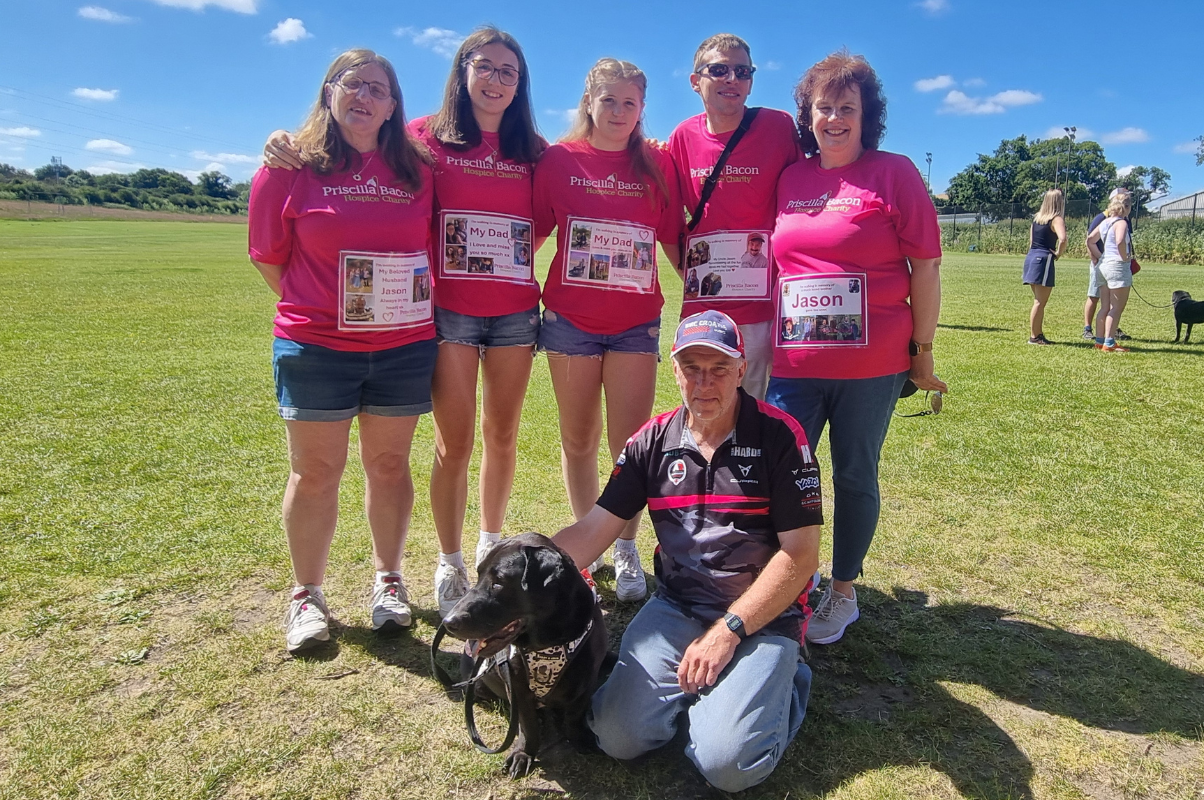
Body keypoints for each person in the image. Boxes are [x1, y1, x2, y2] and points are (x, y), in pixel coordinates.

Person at [263, 28, 547, 617]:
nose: (496, 80)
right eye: (485, 67)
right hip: (439, 316)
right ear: (462, 72)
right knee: (452, 443)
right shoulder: (422, 140)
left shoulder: (531, 149)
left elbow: (540, 221)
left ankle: (480, 547)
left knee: (496, 437)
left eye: (508, 71)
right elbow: (273, 251)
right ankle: (444, 563)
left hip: (506, 313)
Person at [552, 310, 823, 793]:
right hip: (676, 605)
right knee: (617, 737)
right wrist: (521, 568)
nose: (704, 383)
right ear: (673, 370)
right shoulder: (650, 441)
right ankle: (717, 696)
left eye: (719, 369)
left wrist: (729, 632)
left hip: (760, 618)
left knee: (727, 766)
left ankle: (785, 680)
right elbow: (594, 530)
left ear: (742, 370)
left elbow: (800, 558)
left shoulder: (782, 437)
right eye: (691, 368)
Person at [248, 50, 435, 652]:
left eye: (378, 89)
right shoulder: (289, 167)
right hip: (314, 347)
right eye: (352, 85)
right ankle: (307, 594)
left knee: (388, 467)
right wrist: (323, 312)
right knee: (315, 472)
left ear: (393, 105)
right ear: (329, 92)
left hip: (403, 346)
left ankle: (388, 580)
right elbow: (268, 255)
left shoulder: (418, 169)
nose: (365, 96)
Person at [767, 50, 946, 645]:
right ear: (808, 115)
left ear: (867, 116)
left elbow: (925, 269)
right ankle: (791, 579)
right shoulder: (791, 178)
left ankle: (842, 592)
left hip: (872, 365)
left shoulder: (893, 172)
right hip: (795, 361)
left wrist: (922, 352)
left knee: (854, 474)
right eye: (824, 108)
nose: (835, 118)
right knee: (787, 473)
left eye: (848, 108)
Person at [533, 58, 683, 602]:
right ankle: (587, 549)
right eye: (609, 101)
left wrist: (713, 285)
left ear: (642, 108)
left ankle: (625, 547)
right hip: (570, 322)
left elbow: (671, 240)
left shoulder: (657, 164)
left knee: (629, 447)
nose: (619, 112)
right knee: (578, 440)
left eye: (630, 103)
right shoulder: (557, 160)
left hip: (633, 323)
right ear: (589, 102)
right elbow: (527, 234)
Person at [668, 33, 800, 401]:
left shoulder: (778, 127)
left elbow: (801, 197)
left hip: (764, 307)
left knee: (755, 409)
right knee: (704, 406)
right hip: (704, 307)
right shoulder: (681, 136)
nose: (732, 79)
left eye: (742, 71)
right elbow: (668, 220)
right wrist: (689, 273)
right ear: (696, 81)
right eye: (719, 70)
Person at [1086, 191, 1134, 353]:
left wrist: (1101, 257)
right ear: (1126, 207)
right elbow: (1120, 240)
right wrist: (1125, 256)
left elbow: (1090, 240)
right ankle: (1110, 342)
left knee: (1104, 306)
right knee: (1116, 307)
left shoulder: (1106, 222)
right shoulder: (1122, 222)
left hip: (1103, 266)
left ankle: (1100, 341)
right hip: (1117, 267)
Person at [1021, 188, 1066, 345]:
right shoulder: (1056, 219)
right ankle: (1034, 336)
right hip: (1043, 259)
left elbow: (1031, 241)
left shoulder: (1037, 219)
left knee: (1038, 300)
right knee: (1040, 301)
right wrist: (1058, 254)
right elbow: (1063, 239)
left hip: (1031, 257)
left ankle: (1038, 333)